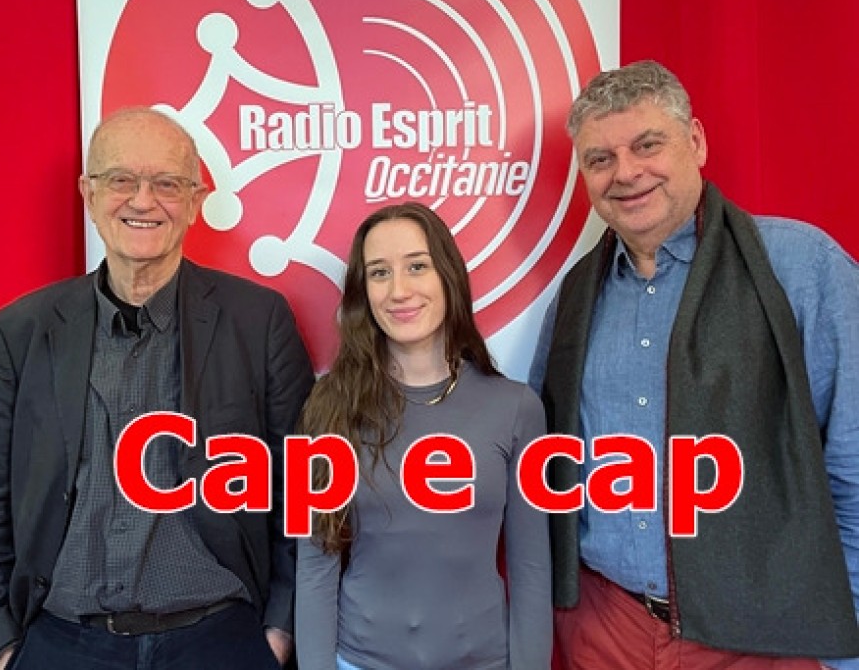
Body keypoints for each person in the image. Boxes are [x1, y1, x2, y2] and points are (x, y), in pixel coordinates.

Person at [529, 59, 859, 669]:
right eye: (600, 158)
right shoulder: (576, 296)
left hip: (764, 637)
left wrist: (846, 644)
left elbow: (853, 464)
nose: (626, 172)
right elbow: (548, 466)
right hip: (605, 627)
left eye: (647, 144)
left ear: (696, 142)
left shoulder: (800, 268)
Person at [0, 107, 315, 670]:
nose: (143, 201)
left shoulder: (258, 321)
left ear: (195, 201)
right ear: (89, 194)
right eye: (121, 179)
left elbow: (300, 483)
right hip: (59, 644)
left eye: (167, 183)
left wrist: (280, 628)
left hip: (220, 640)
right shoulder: (19, 332)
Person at [294, 201, 552, 669]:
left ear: (447, 276)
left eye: (417, 266)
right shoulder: (327, 407)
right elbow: (315, 565)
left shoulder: (516, 409)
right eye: (379, 273)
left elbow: (531, 570)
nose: (399, 290)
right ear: (363, 292)